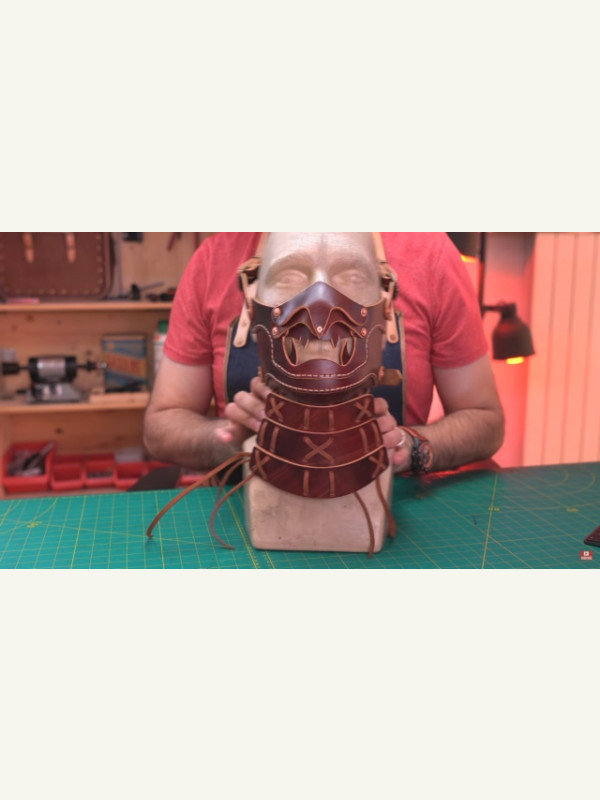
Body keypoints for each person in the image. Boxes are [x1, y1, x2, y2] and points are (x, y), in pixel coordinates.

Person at [143, 232, 504, 475]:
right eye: (287, 277)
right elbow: (161, 427)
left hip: (392, 502)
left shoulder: (429, 255)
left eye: (352, 277)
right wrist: (233, 440)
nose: (319, 316)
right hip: (245, 501)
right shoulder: (215, 260)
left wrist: (408, 449)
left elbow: (484, 419)